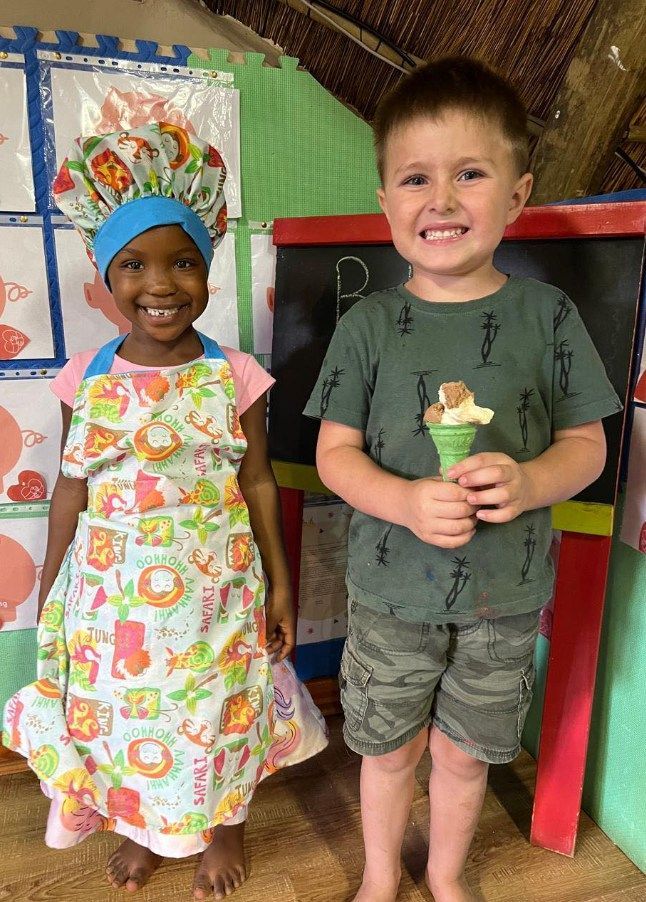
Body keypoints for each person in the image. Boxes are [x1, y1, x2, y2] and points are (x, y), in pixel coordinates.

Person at [304, 57, 621, 902]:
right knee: (389, 749)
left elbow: (587, 446)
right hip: (391, 594)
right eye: (415, 178)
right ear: (386, 202)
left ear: (516, 194)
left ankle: (444, 878)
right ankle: (379, 876)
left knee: (463, 752)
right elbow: (336, 457)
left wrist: (529, 481)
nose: (440, 200)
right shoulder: (366, 325)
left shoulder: (546, 316)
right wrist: (405, 499)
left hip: (504, 602)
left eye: (469, 174)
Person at [3, 122, 327, 899]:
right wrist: (53, 590)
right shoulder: (87, 377)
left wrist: (280, 586)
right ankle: (140, 827)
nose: (161, 283)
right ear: (106, 275)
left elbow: (257, 481)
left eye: (183, 262)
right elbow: (71, 487)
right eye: (135, 264)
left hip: (218, 590)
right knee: (123, 716)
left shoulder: (236, 374)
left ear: (207, 272)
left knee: (221, 711)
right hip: (111, 596)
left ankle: (225, 827)